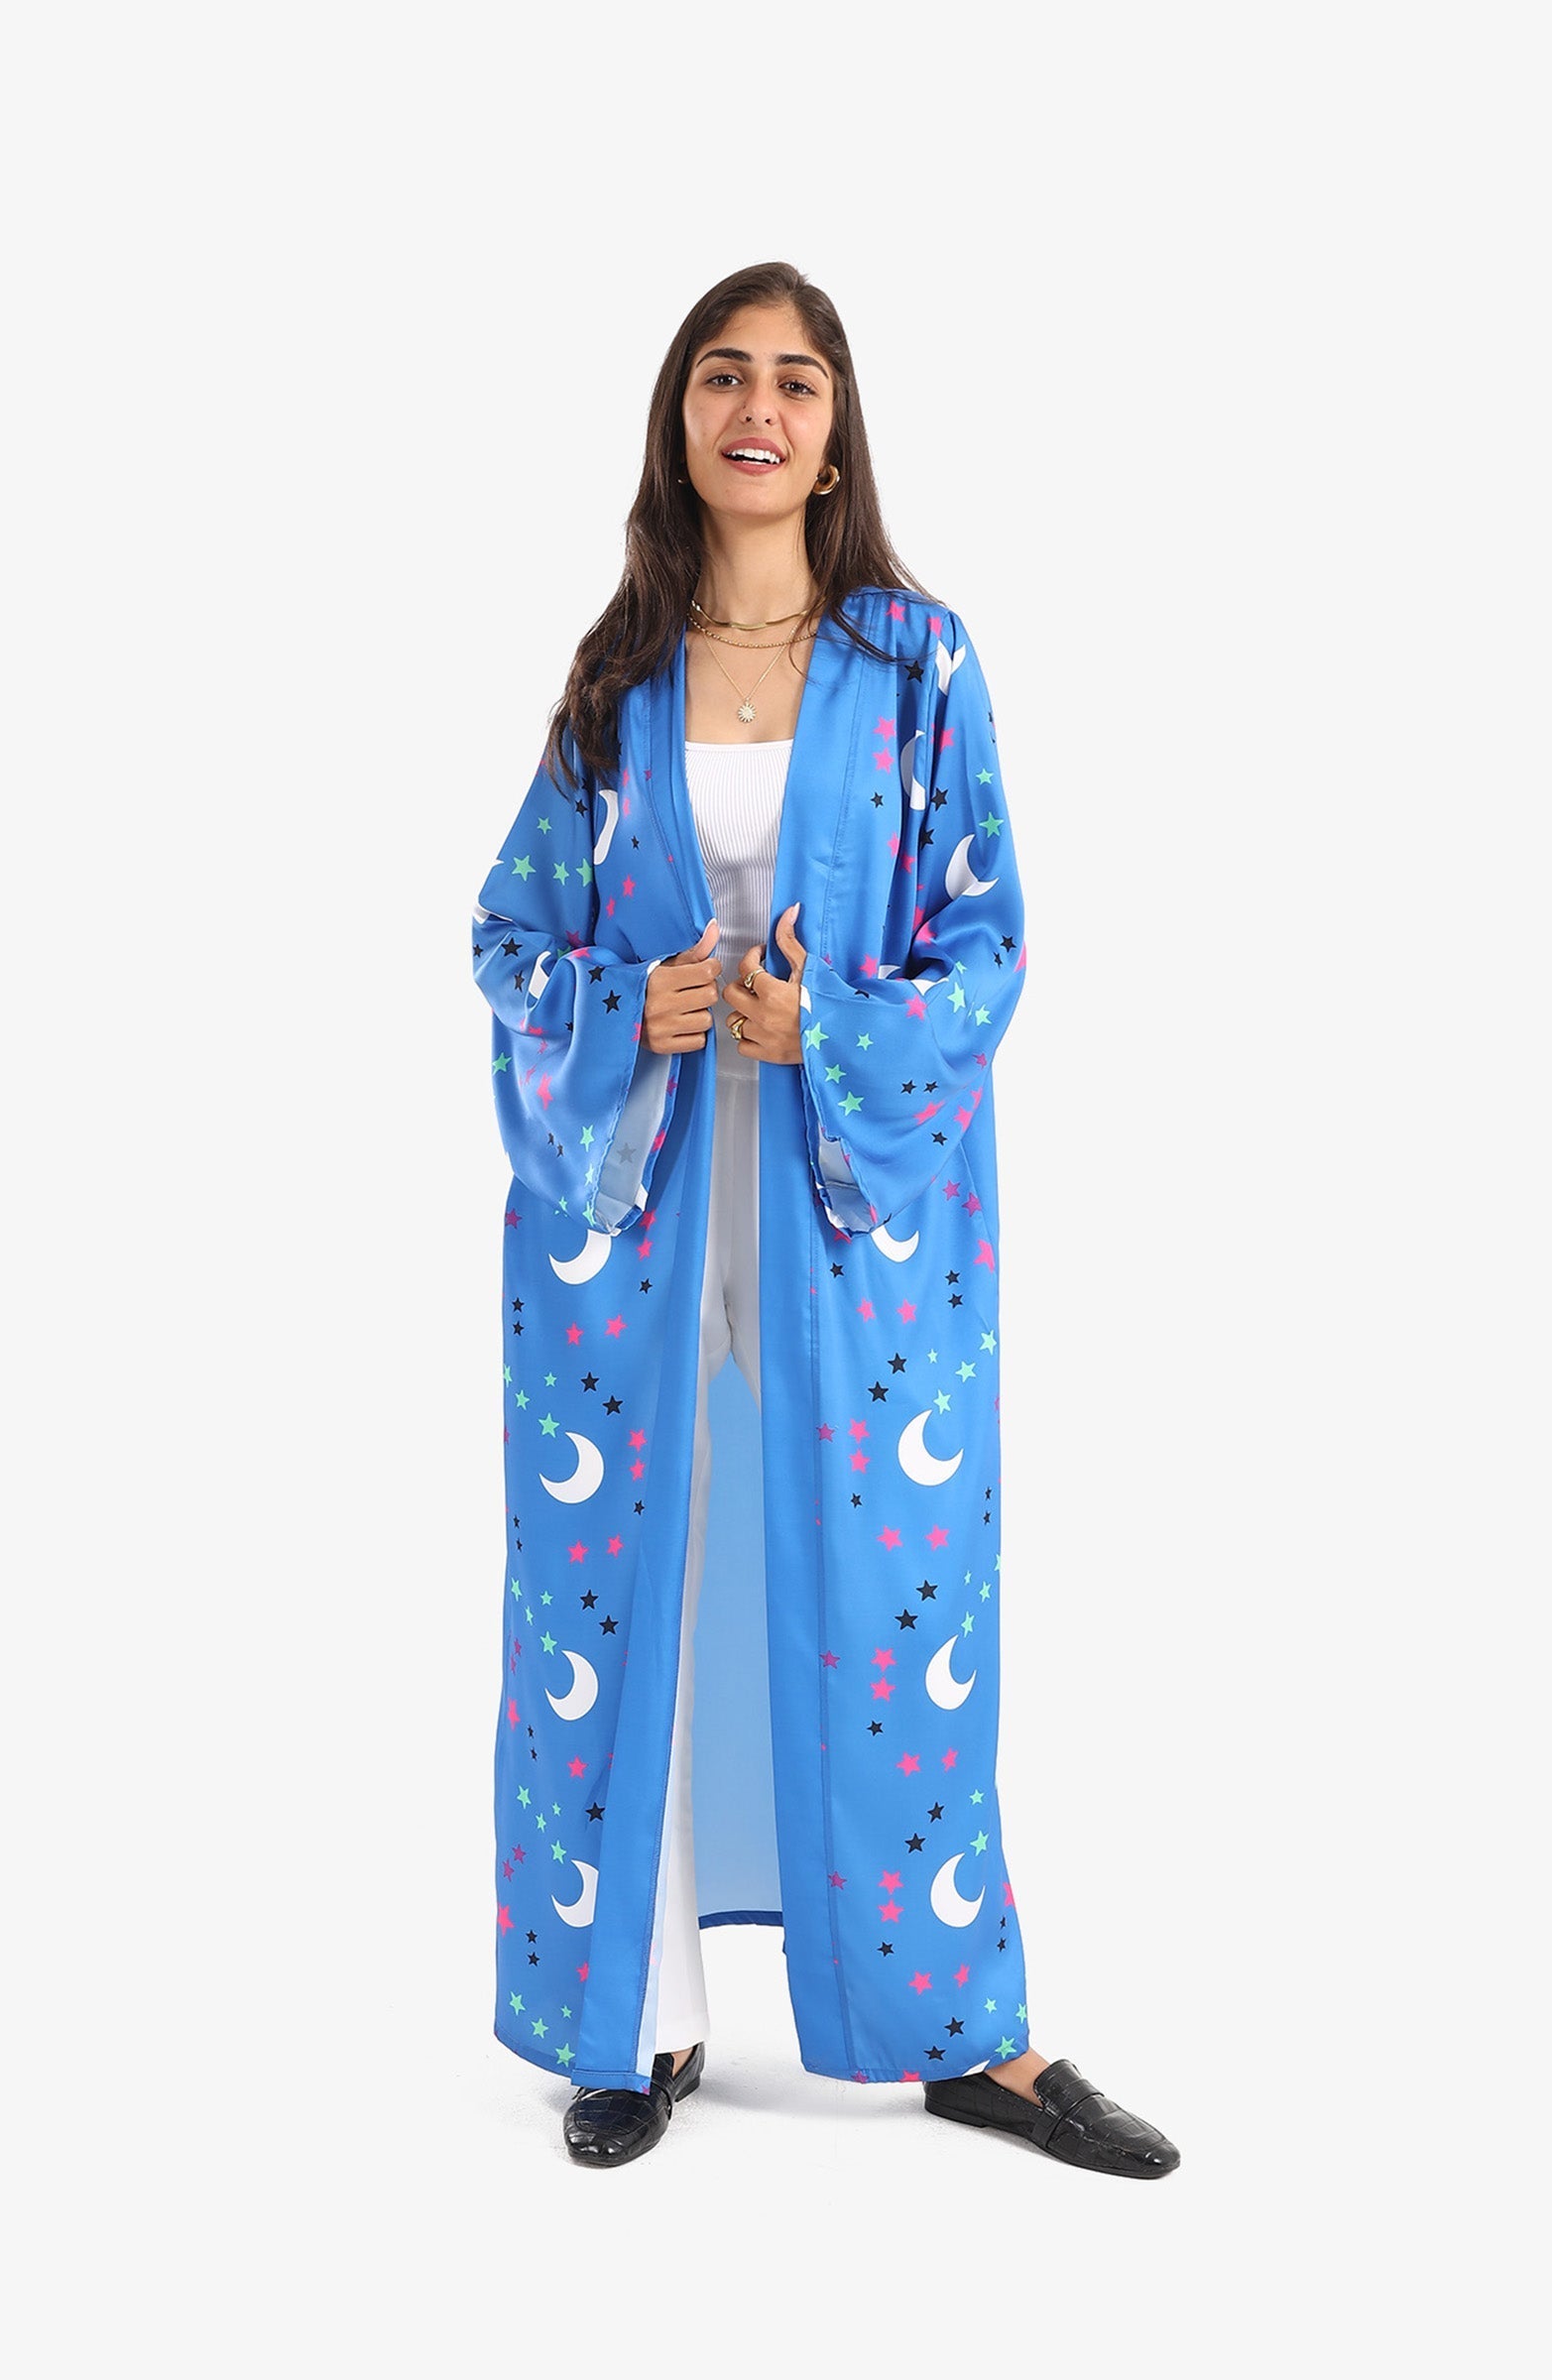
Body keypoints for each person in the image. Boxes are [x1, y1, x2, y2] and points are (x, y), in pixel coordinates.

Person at [470, 262, 1179, 2180]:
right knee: (633, 1582)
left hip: (863, 1221)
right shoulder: (617, 674)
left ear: (838, 428)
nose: (758, 409)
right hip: (632, 1223)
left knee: (890, 1588)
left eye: (794, 379)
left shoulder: (918, 662)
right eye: (724, 375)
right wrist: (629, 1005)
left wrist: (829, 1028)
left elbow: (991, 943)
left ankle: (964, 2033)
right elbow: (508, 933)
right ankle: (639, 2024)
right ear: (680, 419)